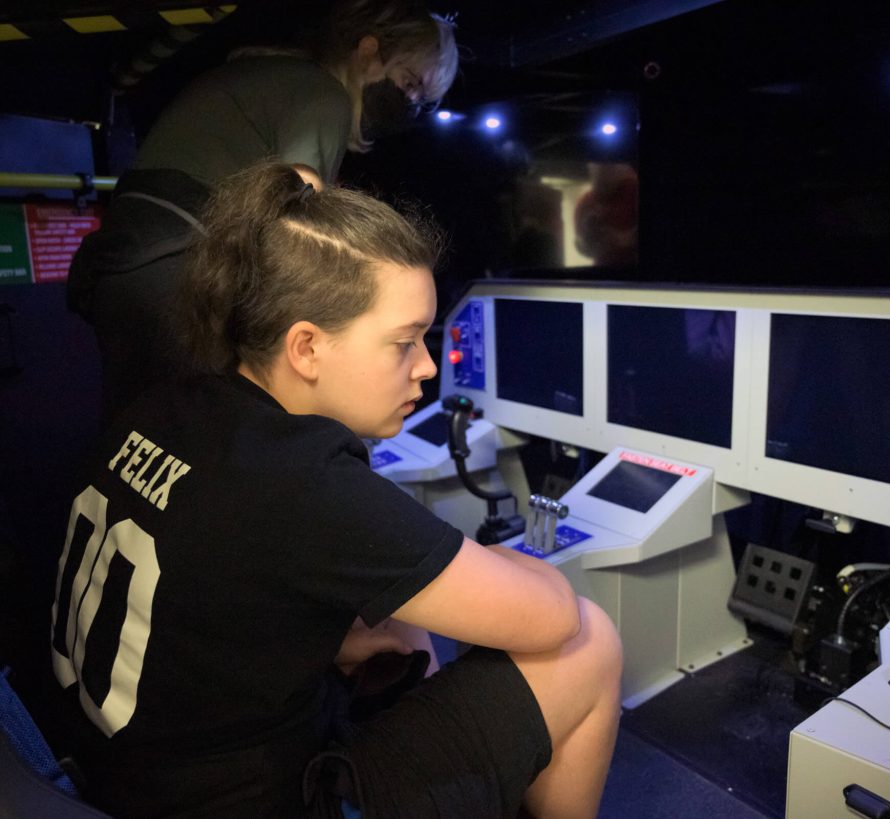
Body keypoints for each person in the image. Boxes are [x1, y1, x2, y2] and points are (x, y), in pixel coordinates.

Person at [51, 162, 623, 819]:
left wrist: (337, 635)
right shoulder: (302, 481)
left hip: (121, 777)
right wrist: (493, 557)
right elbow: (552, 616)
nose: (427, 366)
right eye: (404, 343)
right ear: (307, 348)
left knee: (400, 624)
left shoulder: (164, 408)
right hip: (253, 802)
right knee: (589, 641)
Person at [67, 0, 459, 420]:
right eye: (410, 83)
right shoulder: (323, 94)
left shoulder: (274, 75)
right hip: (174, 269)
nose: (410, 102)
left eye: (422, 100)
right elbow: (303, 233)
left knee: (143, 431)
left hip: (127, 259)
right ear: (368, 51)